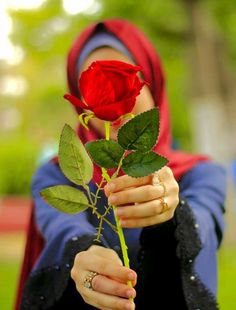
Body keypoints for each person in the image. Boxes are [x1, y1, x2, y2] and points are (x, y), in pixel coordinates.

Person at [15, 18, 227, 310]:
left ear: (154, 85)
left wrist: (173, 207)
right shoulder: (57, 173)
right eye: (96, 84)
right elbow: (61, 226)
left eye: (124, 81)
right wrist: (85, 251)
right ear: (80, 101)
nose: (113, 96)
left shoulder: (201, 172)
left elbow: (205, 221)